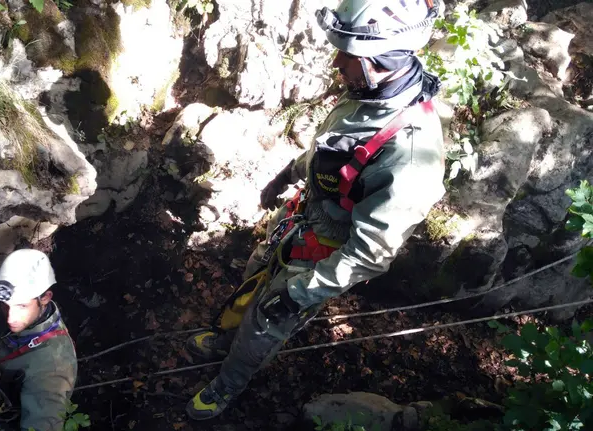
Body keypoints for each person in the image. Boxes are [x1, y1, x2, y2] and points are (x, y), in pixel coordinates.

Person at [184, 0, 446, 420]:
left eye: (348, 54)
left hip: (327, 251)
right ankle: (224, 338)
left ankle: (228, 384)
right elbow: (334, 147)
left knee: (265, 322)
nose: (337, 62)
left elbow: (370, 253)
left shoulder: (411, 157)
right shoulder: (367, 90)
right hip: (304, 216)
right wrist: (290, 172)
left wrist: (299, 294)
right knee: (255, 274)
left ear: (383, 62)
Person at [0, 249, 77, 431]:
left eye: (21, 306)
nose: (11, 317)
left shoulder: (51, 369)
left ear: (45, 298)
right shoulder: (15, 312)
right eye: (5, 305)